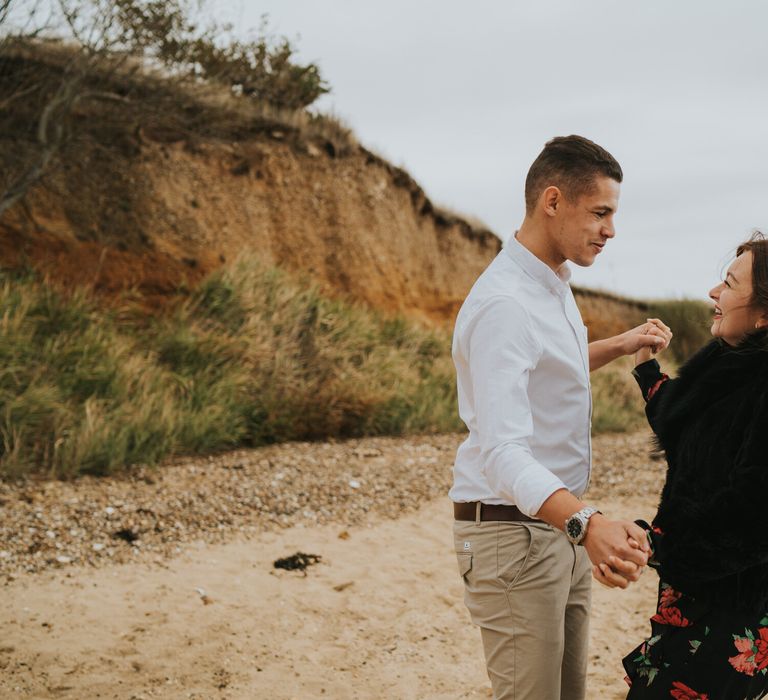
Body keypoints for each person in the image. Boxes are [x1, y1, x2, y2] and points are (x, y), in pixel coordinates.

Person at [450, 134, 670, 700]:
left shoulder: (551, 284)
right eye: (600, 212)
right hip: (512, 532)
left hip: (553, 524)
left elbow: (551, 365)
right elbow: (502, 452)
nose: (611, 229)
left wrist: (621, 344)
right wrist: (588, 524)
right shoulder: (506, 303)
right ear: (553, 202)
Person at [607, 232, 768, 700]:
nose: (713, 293)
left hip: (732, 609)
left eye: (729, 284)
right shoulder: (730, 362)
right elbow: (686, 423)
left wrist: (658, 544)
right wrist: (647, 369)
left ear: (764, 312)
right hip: (695, 593)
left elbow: (754, 512)